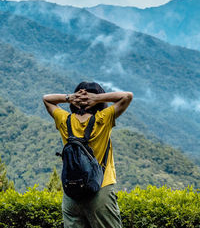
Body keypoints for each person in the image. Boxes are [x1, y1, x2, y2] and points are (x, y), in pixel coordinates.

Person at [43, 82, 133, 228]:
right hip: (100, 189)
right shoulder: (103, 119)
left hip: (72, 192)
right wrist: (97, 98)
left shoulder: (65, 120)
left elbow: (46, 99)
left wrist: (69, 98)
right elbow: (127, 96)